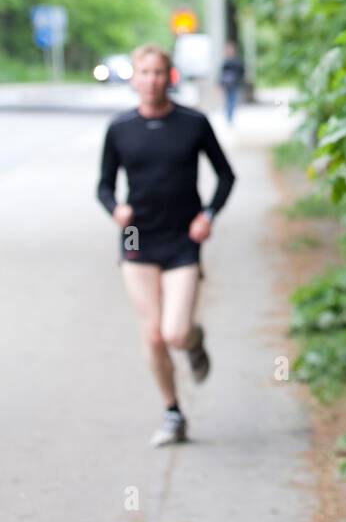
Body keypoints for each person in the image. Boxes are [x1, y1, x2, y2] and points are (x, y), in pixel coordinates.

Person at [97, 43, 235, 447]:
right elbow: (103, 185)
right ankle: (173, 412)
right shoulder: (120, 128)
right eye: (144, 73)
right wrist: (115, 209)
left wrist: (207, 216)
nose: (151, 80)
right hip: (138, 235)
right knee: (153, 334)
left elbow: (226, 176)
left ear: (169, 76)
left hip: (182, 238)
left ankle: (194, 341)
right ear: (134, 78)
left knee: (175, 332)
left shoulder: (193, 124)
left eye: (159, 72)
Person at [219, 40, 246, 124]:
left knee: (232, 101)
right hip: (227, 85)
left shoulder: (237, 60)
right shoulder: (226, 60)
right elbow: (222, 73)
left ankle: (230, 117)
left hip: (235, 84)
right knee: (228, 101)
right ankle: (229, 117)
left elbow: (242, 71)